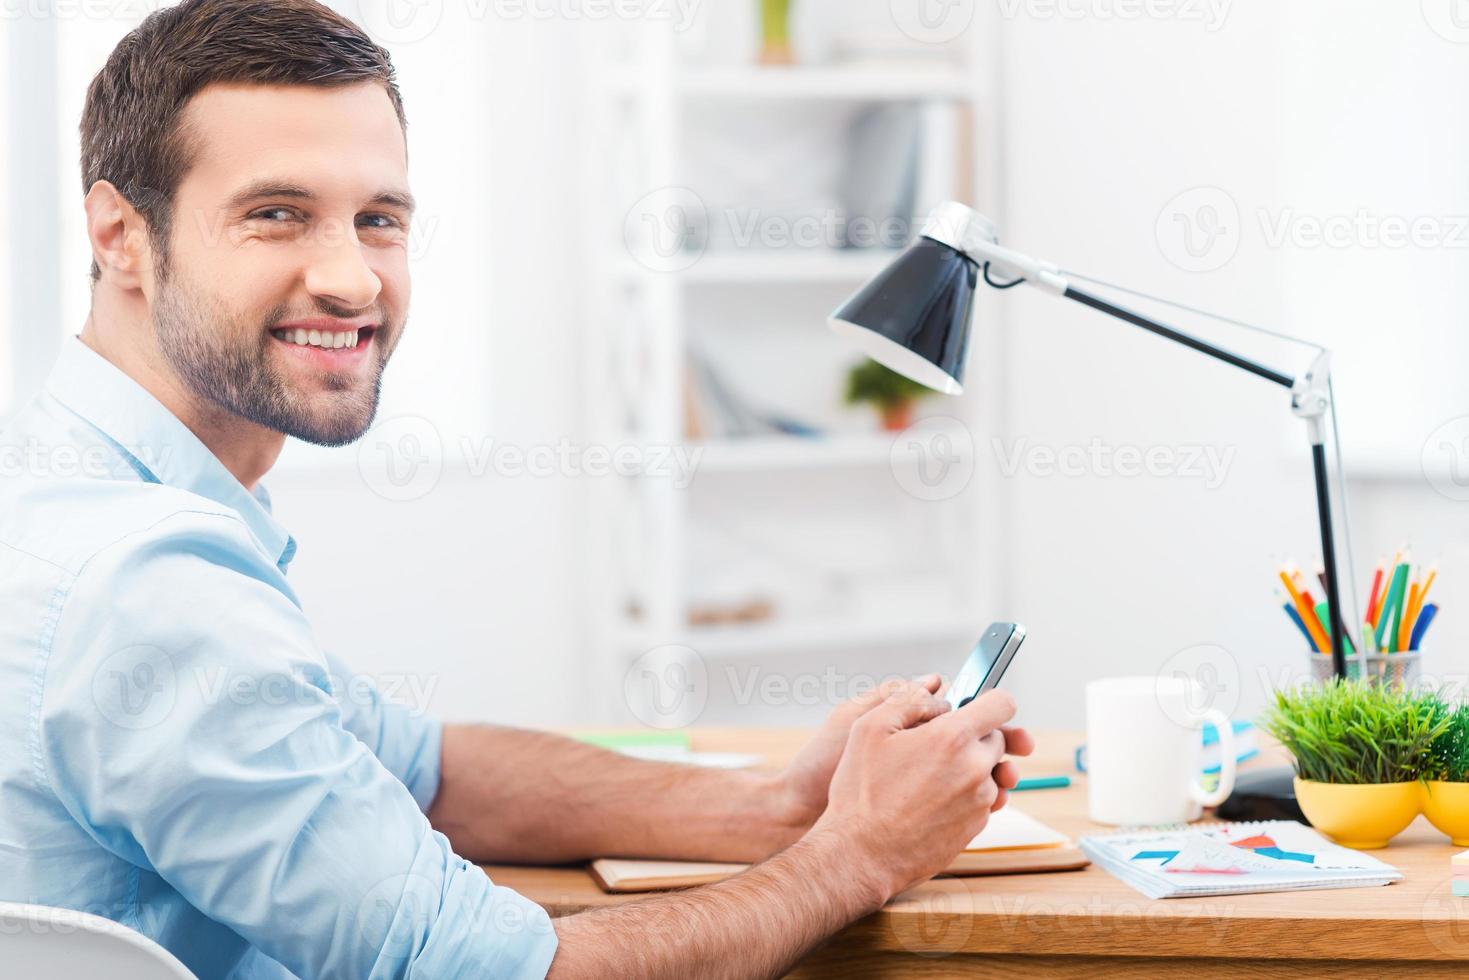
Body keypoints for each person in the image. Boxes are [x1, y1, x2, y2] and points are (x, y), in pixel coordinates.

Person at [0, 1, 1031, 977]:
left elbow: (421, 767)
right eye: (277, 214)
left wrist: (771, 802)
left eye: (378, 218)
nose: (353, 279)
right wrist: (855, 853)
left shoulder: (98, 491)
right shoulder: (150, 582)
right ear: (119, 237)